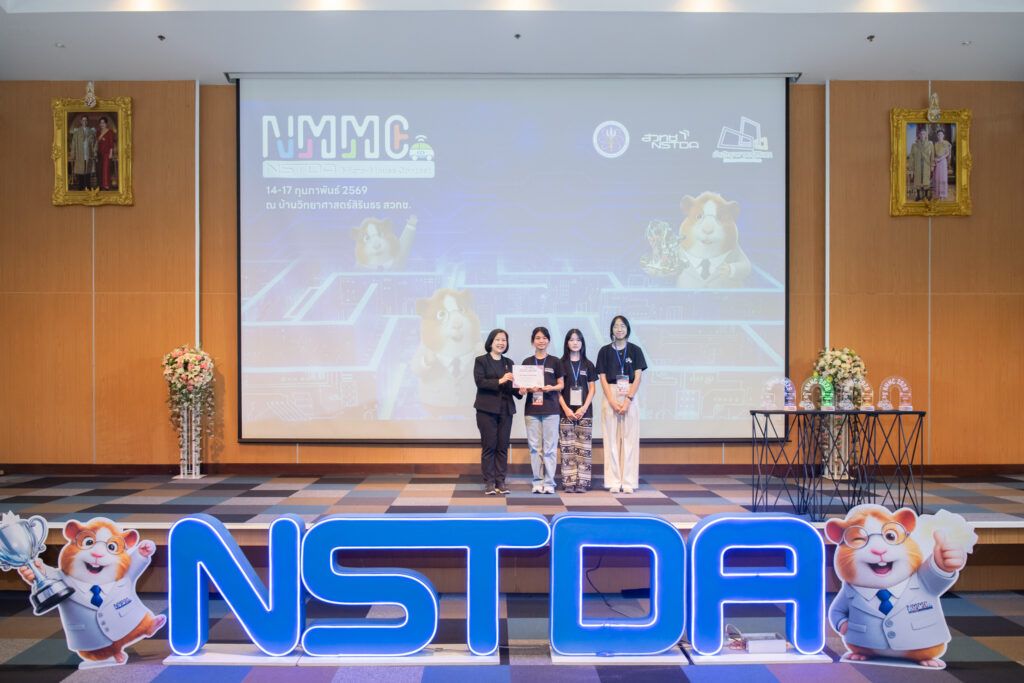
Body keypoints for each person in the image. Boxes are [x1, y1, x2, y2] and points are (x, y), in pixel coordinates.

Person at [596, 315, 647, 494]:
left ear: (627, 329)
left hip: (630, 394)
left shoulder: (635, 350)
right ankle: (613, 480)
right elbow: (602, 377)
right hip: (610, 393)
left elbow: (638, 377)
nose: (619, 329)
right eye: (616, 326)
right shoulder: (604, 351)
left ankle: (628, 481)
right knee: (610, 439)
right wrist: (611, 400)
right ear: (611, 329)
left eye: (622, 326)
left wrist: (628, 400)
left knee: (629, 439)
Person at [473, 328, 519, 495]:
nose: (501, 343)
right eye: (498, 339)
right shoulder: (481, 361)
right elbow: (480, 382)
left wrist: (520, 391)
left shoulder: (509, 362)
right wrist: (500, 380)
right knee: (489, 446)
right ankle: (489, 482)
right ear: (491, 342)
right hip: (486, 410)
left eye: (504, 340)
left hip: (505, 410)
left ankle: (501, 481)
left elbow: (512, 387)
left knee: (502, 446)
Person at [520, 327, 564, 494]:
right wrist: (525, 389)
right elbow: (521, 387)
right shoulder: (527, 362)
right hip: (532, 410)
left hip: (551, 409)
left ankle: (550, 482)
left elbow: (561, 384)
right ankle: (537, 481)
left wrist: (552, 387)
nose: (541, 341)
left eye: (544, 338)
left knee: (550, 448)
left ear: (548, 341)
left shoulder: (555, 361)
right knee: (535, 448)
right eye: (538, 338)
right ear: (533, 341)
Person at [557, 329, 597, 493]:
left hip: (584, 412)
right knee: (567, 448)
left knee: (584, 448)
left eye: (578, 340)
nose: (575, 343)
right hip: (565, 411)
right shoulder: (560, 363)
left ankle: (582, 482)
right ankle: (568, 482)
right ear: (567, 342)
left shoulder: (588, 364)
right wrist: (566, 408)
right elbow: (558, 390)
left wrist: (584, 408)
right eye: (572, 339)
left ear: (582, 343)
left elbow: (592, 389)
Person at [69, 115, 96, 190]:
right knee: (80, 171)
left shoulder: (91, 131)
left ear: (87, 121)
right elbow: (73, 143)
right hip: (80, 154)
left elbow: (95, 143)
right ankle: (81, 187)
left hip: (88, 154)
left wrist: (94, 152)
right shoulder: (77, 132)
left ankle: (88, 187)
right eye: (83, 120)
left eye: (86, 120)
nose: (84, 122)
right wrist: (73, 154)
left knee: (88, 171)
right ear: (80, 121)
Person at [908, 124, 934, 201]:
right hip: (918, 165)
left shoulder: (930, 145)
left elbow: (932, 156)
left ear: (926, 135)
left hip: (926, 164)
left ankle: (926, 196)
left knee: (926, 180)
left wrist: (932, 165)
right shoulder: (914, 145)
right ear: (919, 135)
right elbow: (911, 156)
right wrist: (911, 166)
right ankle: (918, 196)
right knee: (918, 180)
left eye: (924, 134)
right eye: (921, 134)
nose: (922, 135)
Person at [96, 116, 116, 190]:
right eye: (100, 123)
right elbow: (97, 143)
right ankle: (101, 184)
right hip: (99, 154)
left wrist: (111, 153)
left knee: (106, 169)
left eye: (103, 123)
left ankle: (106, 184)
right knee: (100, 169)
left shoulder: (110, 132)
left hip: (107, 153)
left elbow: (111, 144)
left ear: (106, 124)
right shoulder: (98, 132)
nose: (102, 124)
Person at [932, 128, 952, 200]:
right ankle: (938, 194)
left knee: (943, 177)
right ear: (937, 136)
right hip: (937, 163)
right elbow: (934, 154)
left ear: (943, 135)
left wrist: (940, 159)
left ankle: (943, 195)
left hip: (943, 161)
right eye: (938, 134)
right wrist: (935, 159)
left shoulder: (946, 143)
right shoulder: (936, 144)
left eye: (941, 134)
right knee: (937, 177)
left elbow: (948, 153)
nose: (940, 136)